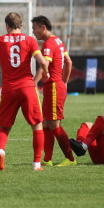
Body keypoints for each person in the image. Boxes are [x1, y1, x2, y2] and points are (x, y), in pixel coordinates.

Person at [0, 12, 50, 171]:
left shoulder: (0, 40)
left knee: (4, 127)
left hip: (8, 89)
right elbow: (42, 61)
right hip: (27, 87)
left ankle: (1, 151)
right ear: (21, 25)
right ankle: (36, 164)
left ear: (7, 25)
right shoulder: (29, 40)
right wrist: (46, 72)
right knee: (37, 125)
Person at [31, 15, 75, 167]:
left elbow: (45, 67)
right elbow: (69, 61)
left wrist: (33, 84)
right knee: (45, 124)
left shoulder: (49, 44)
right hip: (56, 86)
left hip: (54, 87)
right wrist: (65, 82)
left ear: (43, 27)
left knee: (54, 125)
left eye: (34, 28)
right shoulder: (58, 40)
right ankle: (47, 159)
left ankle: (70, 159)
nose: (33, 32)